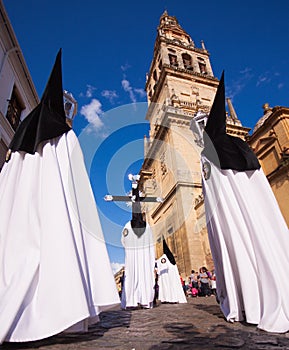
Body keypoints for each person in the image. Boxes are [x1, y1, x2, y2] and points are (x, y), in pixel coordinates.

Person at [0, 50, 120, 344]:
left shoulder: (24, 129)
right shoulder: (65, 137)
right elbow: (73, 188)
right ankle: (58, 309)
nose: (68, 111)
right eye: (66, 106)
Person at [192, 70, 289, 333]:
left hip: (237, 211)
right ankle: (249, 299)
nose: (199, 132)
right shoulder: (221, 148)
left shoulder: (226, 146)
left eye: (201, 126)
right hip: (230, 212)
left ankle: (252, 300)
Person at [121, 179, 155, 309]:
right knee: (145, 276)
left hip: (133, 254)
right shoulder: (148, 227)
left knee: (132, 275)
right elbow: (151, 243)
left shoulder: (127, 226)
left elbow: (123, 240)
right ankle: (145, 300)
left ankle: (131, 300)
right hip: (144, 256)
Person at [155, 239, 187, 304]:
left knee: (169, 286)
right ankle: (171, 298)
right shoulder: (170, 260)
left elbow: (158, 263)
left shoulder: (164, 258)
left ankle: (170, 298)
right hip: (170, 276)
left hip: (167, 276)